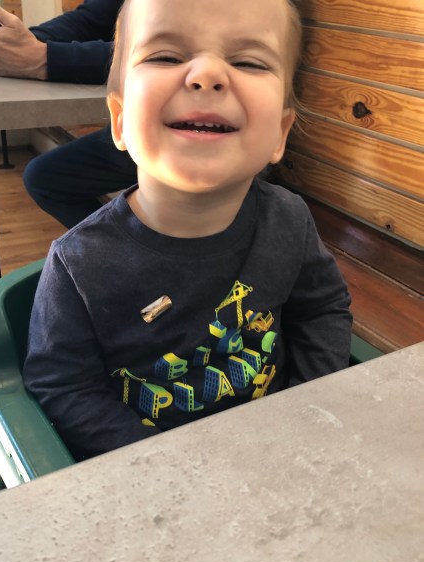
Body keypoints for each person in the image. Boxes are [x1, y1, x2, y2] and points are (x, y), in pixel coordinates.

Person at [23, 0, 353, 461]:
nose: (207, 74)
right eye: (166, 56)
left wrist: (306, 411)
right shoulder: (77, 264)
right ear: (119, 120)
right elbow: (64, 387)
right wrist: (170, 469)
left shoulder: (290, 219)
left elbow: (322, 310)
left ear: (280, 134)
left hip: (283, 453)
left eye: (248, 62)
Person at [0, 0, 136, 228]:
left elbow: (163, 48)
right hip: (137, 121)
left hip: (165, 124)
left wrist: (46, 58)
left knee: (46, 178)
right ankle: (125, 247)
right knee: (43, 177)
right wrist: (19, 42)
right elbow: (90, 19)